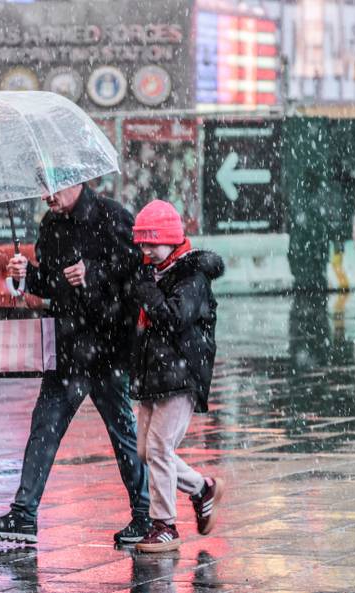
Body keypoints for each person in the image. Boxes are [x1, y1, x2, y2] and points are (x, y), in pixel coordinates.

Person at [0, 177, 151, 545]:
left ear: (76, 182)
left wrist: (94, 275)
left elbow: (140, 277)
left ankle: (145, 516)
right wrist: (26, 276)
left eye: (53, 187)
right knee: (44, 426)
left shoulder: (112, 218)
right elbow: (52, 284)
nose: (46, 196)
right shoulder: (50, 225)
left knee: (123, 435)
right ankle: (23, 516)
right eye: (43, 188)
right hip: (67, 349)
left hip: (108, 349)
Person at [128, 200, 225, 554]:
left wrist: (148, 293)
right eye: (143, 244)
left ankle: (164, 525)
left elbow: (173, 319)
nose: (147, 251)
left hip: (181, 375)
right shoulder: (153, 273)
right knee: (146, 450)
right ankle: (202, 488)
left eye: (152, 243)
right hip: (154, 376)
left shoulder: (191, 277)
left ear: (171, 240)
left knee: (158, 448)